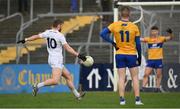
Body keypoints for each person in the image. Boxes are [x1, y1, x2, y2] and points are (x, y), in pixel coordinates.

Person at [17, 19, 86, 100]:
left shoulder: (47, 32)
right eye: (61, 26)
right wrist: (78, 55)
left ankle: (77, 96)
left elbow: (36, 36)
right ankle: (37, 86)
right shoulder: (60, 35)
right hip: (56, 60)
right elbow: (68, 48)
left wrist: (26, 39)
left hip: (52, 59)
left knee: (68, 76)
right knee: (55, 81)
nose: (61, 27)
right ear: (59, 26)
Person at [100, 6, 143, 105]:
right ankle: (137, 100)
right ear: (130, 14)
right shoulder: (134, 26)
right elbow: (138, 45)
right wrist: (139, 57)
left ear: (120, 14)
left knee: (121, 78)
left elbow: (102, 34)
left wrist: (113, 43)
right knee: (135, 77)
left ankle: (122, 100)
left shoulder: (115, 25)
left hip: (119, 54)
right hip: (131, 55)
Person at [140, 26, 173, 92]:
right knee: (146, 74)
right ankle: (143, 88)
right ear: (151, 32)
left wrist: (170, 33)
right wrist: (133, 35)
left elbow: (170, 38)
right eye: (152, 31)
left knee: (158, 75)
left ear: (157, 32)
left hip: (158, 60)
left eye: (155, 31)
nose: (154, 32)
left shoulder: (161, 39)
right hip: (150, 60)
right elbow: (140, 39)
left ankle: (157, 88)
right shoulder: (148, 39)